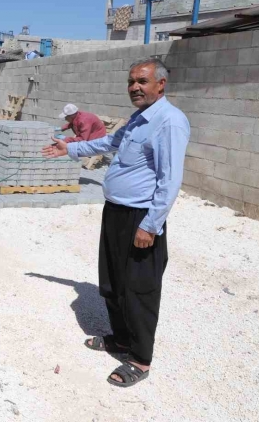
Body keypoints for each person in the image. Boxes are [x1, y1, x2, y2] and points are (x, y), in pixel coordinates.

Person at [42, 58, 190, 388]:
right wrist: (70, 148)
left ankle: (139, 358)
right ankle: (121, 339)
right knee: (111, 282)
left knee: (139, 289)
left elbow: (170, 180)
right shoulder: (138, 119)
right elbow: (108, 143)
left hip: (140, 217)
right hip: (116, 212)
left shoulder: (170, 122)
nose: (134, 87)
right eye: (131, 82)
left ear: (161, 84)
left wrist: (150, 225)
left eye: (142, 81)